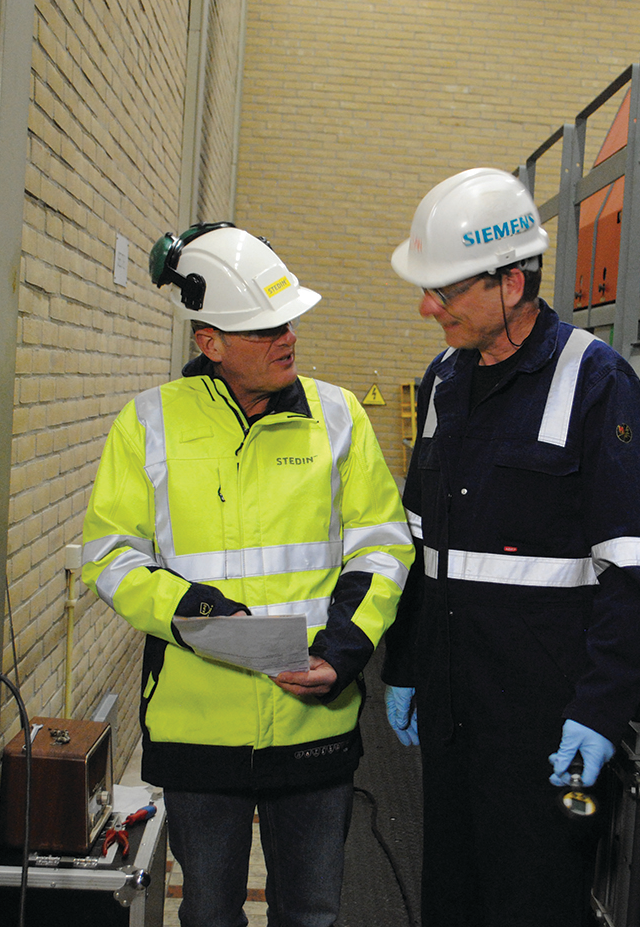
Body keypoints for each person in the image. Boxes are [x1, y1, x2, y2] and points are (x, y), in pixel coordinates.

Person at [82, 223, 413, 927]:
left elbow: (383, 545)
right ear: (211, 342)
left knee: (313, 912)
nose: (286, 336)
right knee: (207, 911)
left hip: (312, 721)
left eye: (287, 319)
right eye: (263, 328)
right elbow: (110, 555)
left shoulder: (338, 417)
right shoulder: (149, 424)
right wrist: (197, 608)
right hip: (200, 730)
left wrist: (345, 650)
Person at [381, 168, 640, 927]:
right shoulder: (444, 379)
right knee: (453, 896)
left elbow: (631, 574)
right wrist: (405, 666)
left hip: (551, 739)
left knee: (537, 904)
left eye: (443, 291)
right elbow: (420, 543)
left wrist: (598, 719)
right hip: (453, 717)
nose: (426, 307)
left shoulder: (597, 382)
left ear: (510, 281)